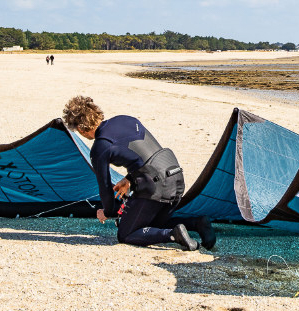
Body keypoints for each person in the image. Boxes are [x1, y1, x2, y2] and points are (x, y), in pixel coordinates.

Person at [62, 96, 215, 251]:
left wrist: (107, 211)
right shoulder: (126, 119)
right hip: (176, 178)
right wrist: (129, 179)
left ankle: (173, 234)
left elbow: (105, 187)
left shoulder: (99, 148)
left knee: (126, 234)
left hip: (156, 187)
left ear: (81, 129)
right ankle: (197, 223)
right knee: (149, 226)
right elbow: (147, 156)